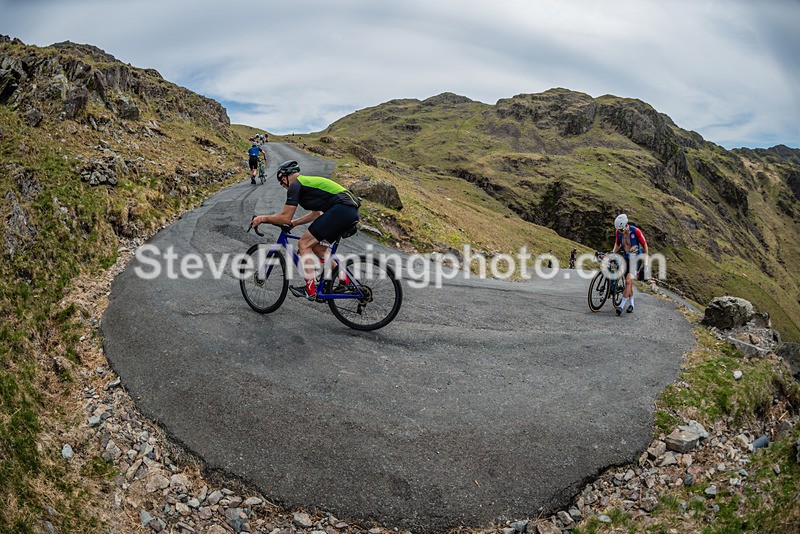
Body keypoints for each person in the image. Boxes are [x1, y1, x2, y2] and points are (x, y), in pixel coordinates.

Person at [250, 160, 361, 300]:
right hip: (348, 211)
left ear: (284, 178)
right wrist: (294, 223)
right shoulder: (306, 185)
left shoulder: (296, 185)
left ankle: (310, 290)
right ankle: (344, 281)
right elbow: (316, 214)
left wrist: (262, 218)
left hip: (341, 209)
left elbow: (285, 217)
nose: (283, 186)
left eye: (281, 182)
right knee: (319, 249)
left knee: (303, 244)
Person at [611, 213, 648, 316]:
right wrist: (612, 253)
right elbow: (617, 245)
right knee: (629, 283)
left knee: (628, 280)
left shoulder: (635, 231)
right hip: (626, 258)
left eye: (622, 230)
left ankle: (621, 306)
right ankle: (632, 304)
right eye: (619, 230)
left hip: (637, 259)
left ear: (626, 225)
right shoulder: (618, 232)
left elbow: (645, 245)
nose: (621, 232)